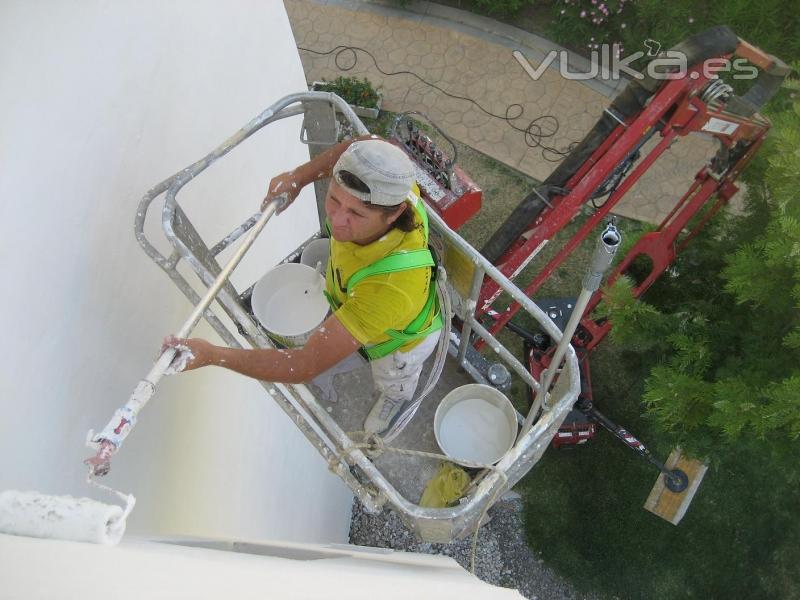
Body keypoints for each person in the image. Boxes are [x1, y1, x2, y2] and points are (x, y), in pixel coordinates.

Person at [163, 136, 443, 435]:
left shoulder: (390, 288)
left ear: (395, 214)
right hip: (367, 303)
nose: (337, 220)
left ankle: (396, 397)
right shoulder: (392, 181)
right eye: (334, 199)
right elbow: (372, 142)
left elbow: (303, 366)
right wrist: (299, 177)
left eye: (356, 214)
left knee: (392, 375)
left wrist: (212, 354)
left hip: (401, 343)